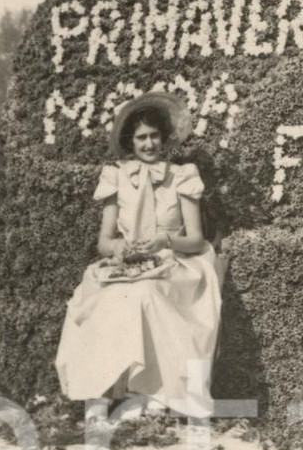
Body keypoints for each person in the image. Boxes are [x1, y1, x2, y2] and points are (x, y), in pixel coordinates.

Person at [54, 92, 222, 416]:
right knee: (103, 296)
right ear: (131, 141)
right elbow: (104, 240)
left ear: (165, 138)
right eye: (141, 137)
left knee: (146, 294)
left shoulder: (182, 176)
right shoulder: (116, 176)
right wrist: (118, 246)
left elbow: (197, 240)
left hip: (178, 264)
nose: (148, 144)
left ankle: (157, 393)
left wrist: (166, 241)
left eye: (154, 136)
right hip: (132, 264)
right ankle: (98, 394)